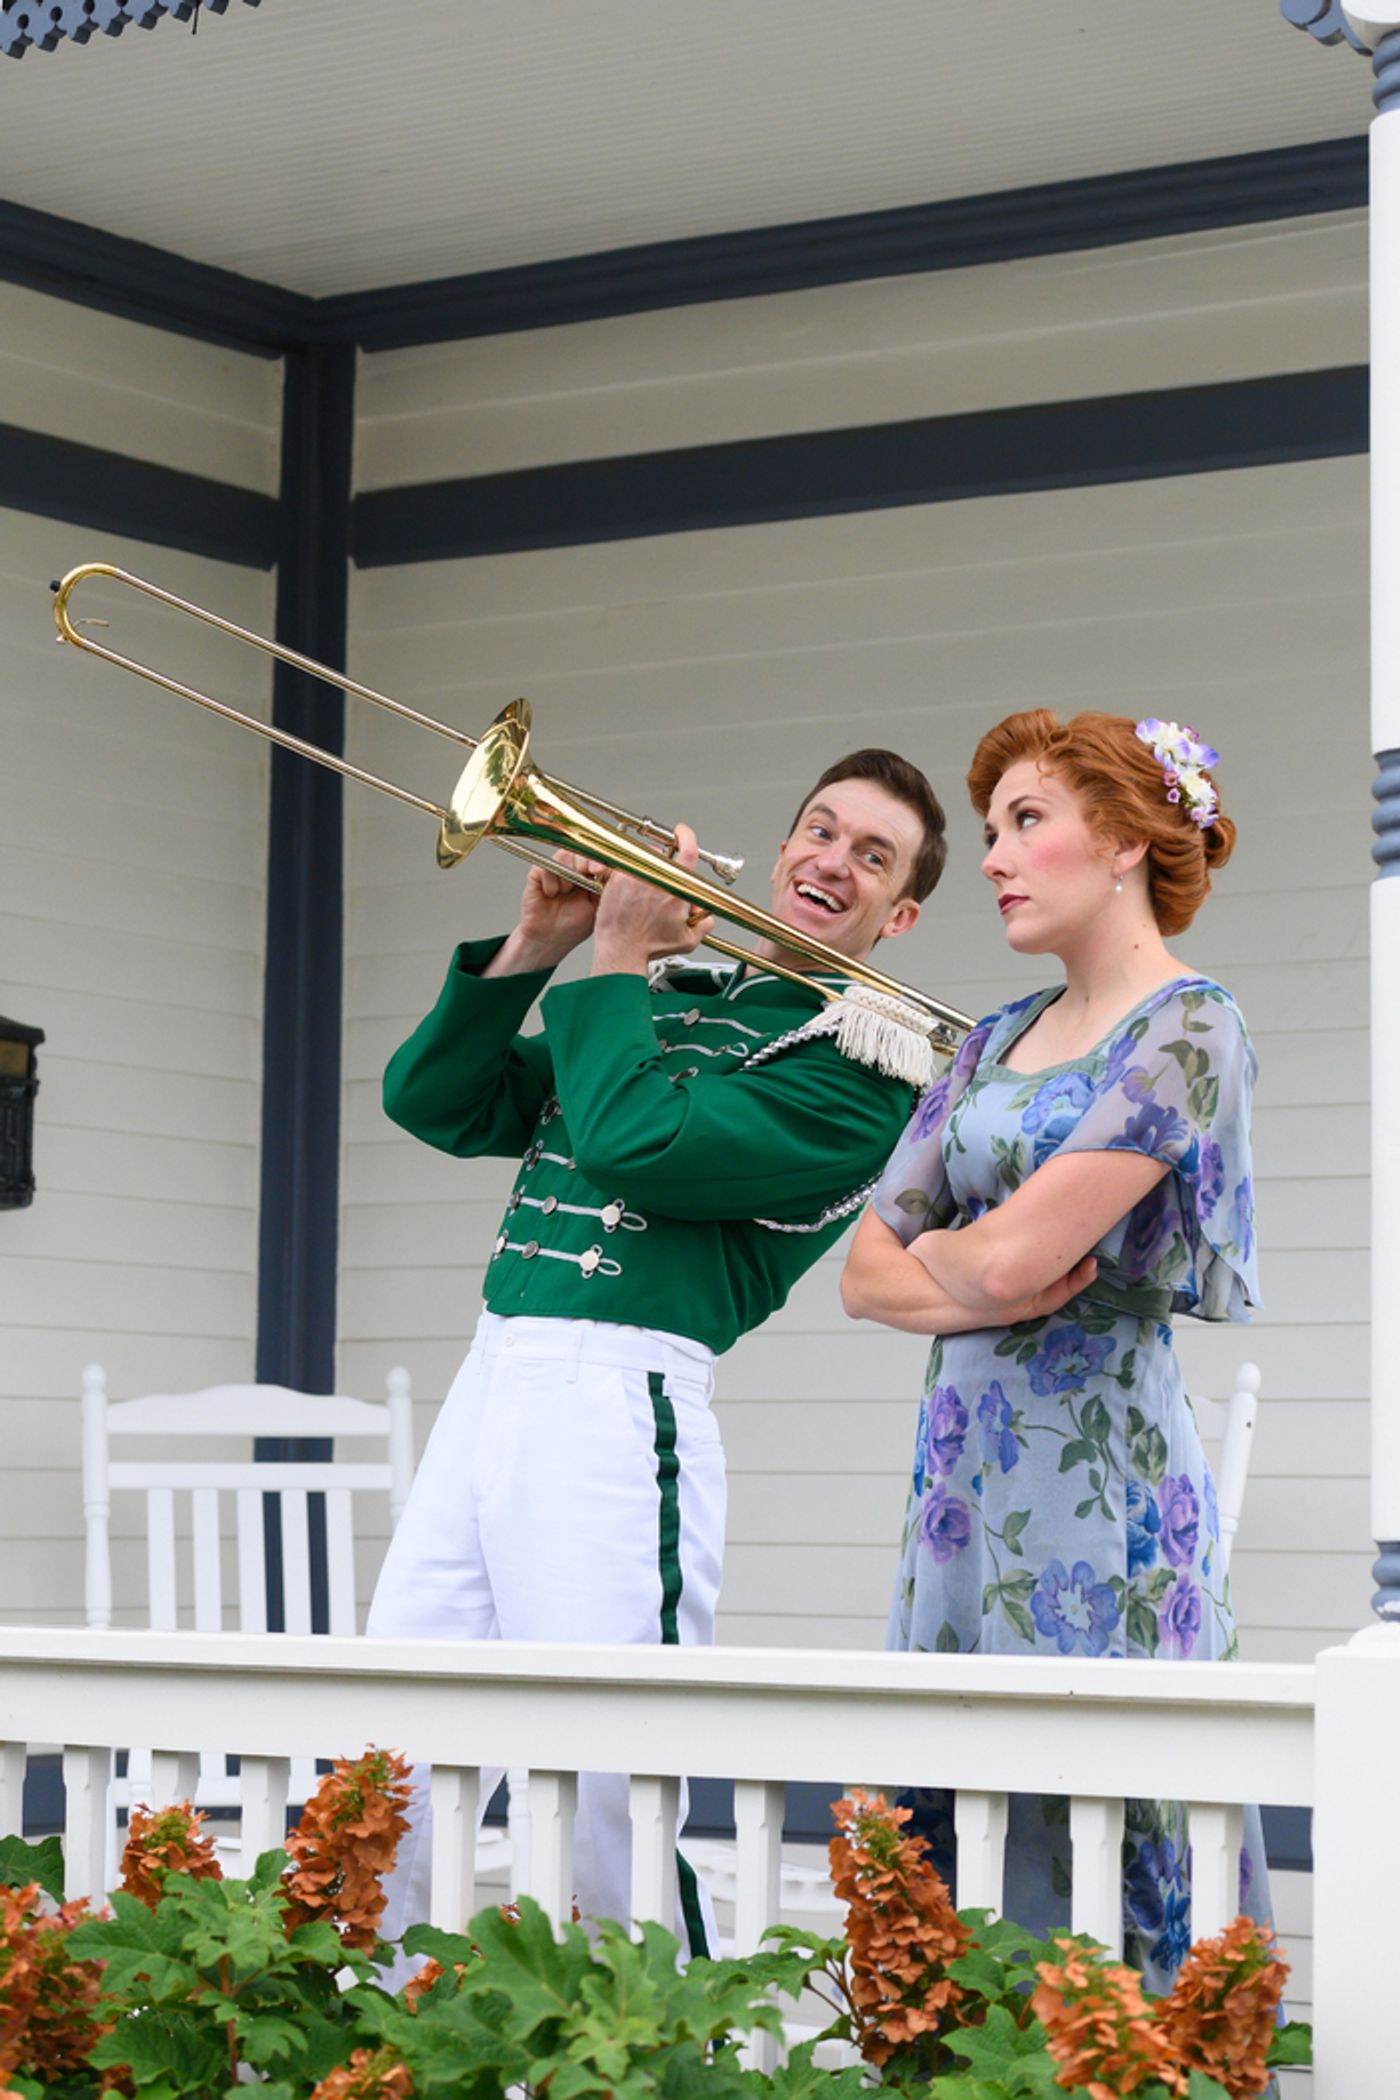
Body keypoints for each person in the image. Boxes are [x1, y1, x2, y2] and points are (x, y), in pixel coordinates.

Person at [367, 748, 1053, 1952]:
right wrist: (537, 948)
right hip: (492, 1378)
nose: (828, 861)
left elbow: (636, 1141)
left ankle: (664, 2056)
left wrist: (616, 957)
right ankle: (356, 2026)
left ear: (897, 916)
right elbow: (436, 1101)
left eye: (869, 856)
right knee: (392, 1746)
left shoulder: (864, 1073)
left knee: (602, 1781)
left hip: (619, 1401)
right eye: (818, 830)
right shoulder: (672, 996)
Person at [841, 709, 1272, 1990]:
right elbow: (864, 1277)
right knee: (954, 1794)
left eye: (1026, 821)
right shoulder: (988, 1038)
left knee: (1097, 1786)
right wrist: (981, 1285)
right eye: (987, 831)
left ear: (1130, 839)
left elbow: (1021, 1254)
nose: (991, 857)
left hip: (1103, 1481)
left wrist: (978, 1269)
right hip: (959, 1483)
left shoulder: (1186, 1032)